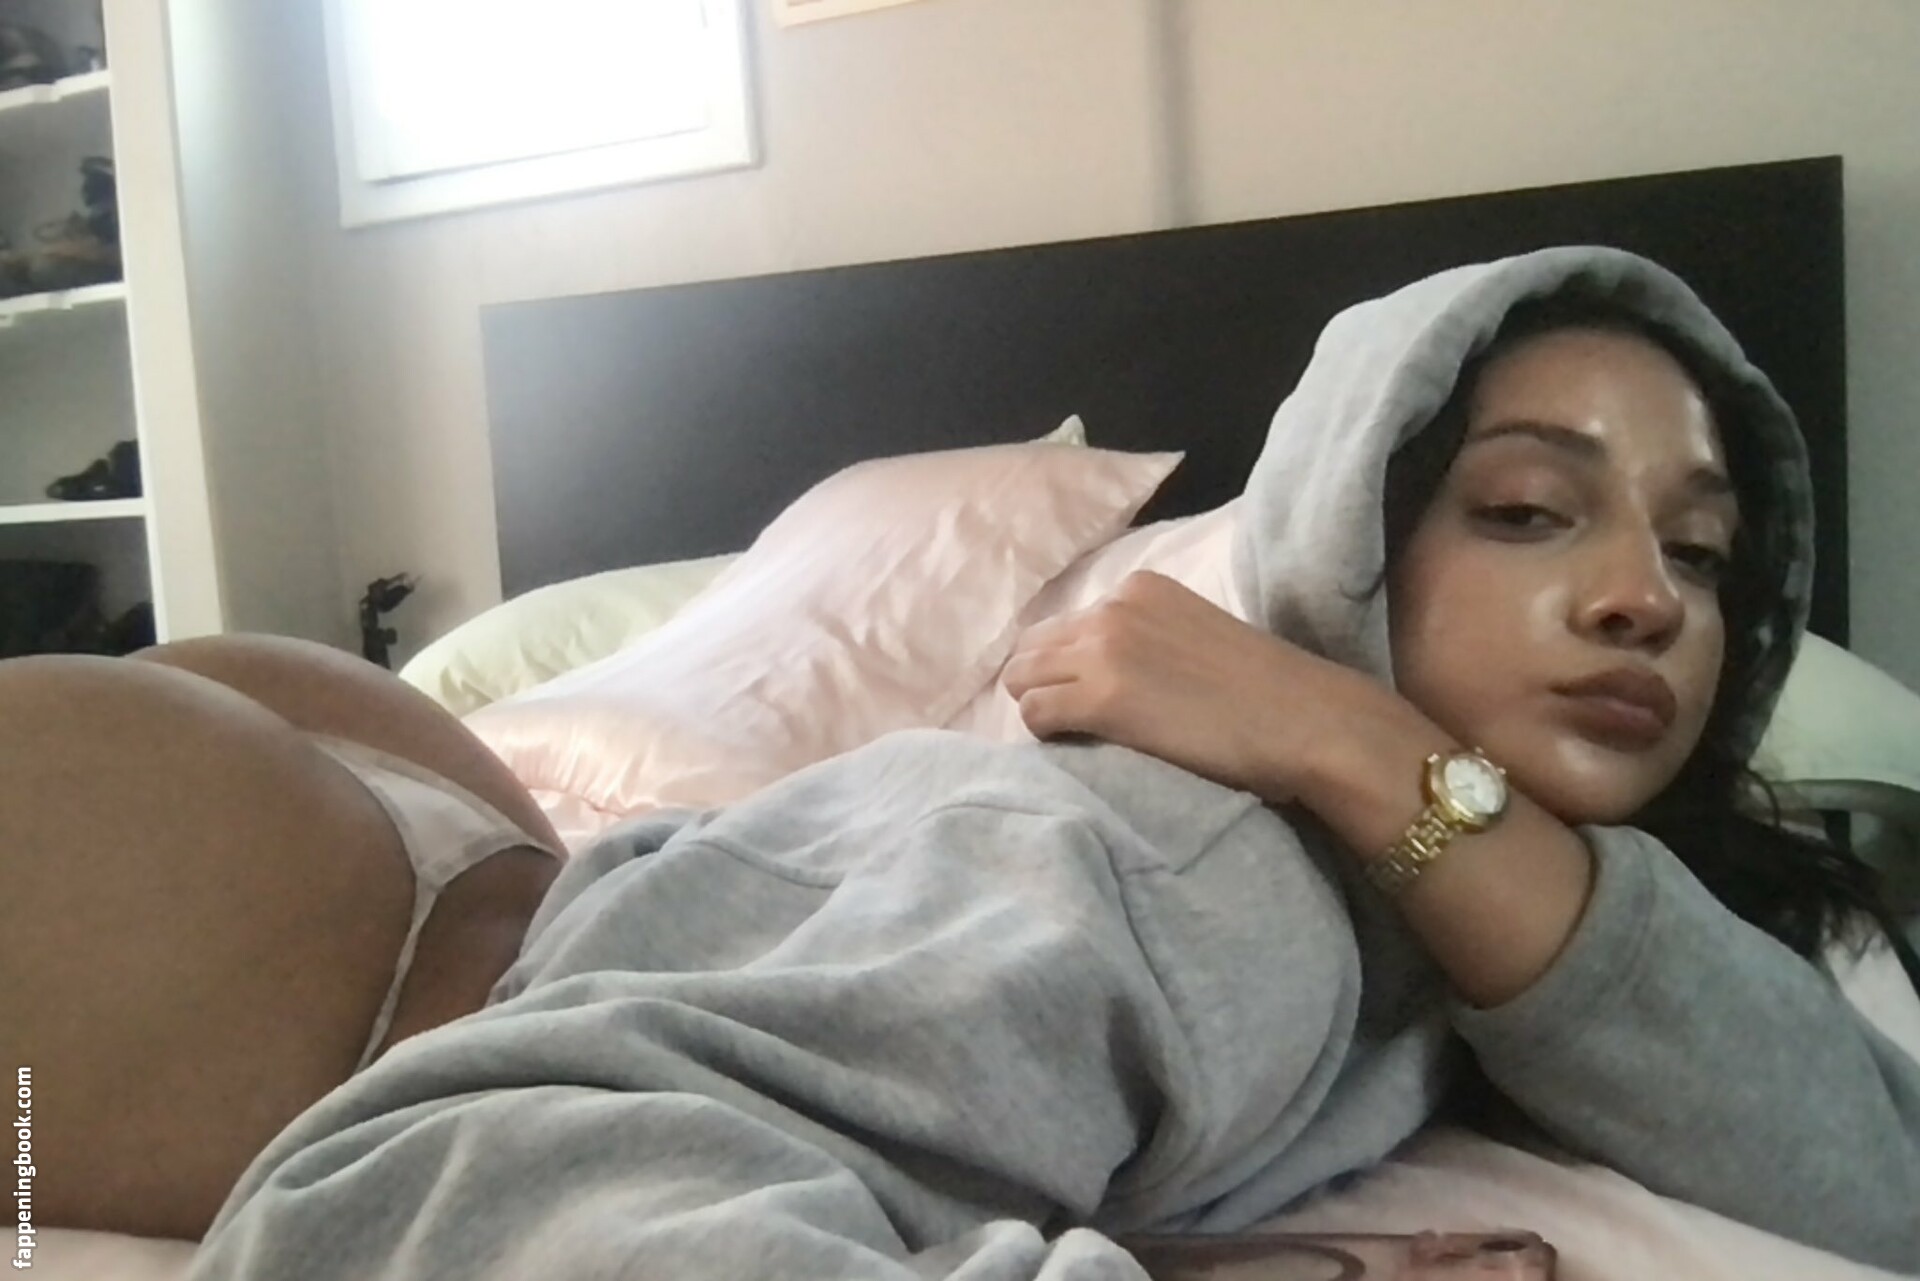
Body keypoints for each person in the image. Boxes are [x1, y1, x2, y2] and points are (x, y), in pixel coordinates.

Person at [11, 246, 1918, 1277]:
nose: (1643, 597)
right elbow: (460, 1190)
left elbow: (1860, 1171)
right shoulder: (1197, 872)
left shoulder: (1499, 911)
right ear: (1346, 548)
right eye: (1526, 510)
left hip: (454, 856)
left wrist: (1357, 739)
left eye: (1702, 551)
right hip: (239, 934)